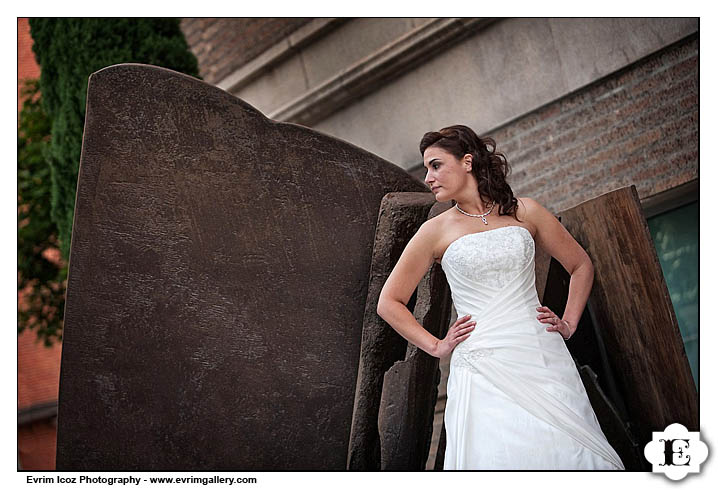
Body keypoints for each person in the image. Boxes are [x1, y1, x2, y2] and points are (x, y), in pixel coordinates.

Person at [376, 125, 624, 470]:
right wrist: (436, 346)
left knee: (568, 451)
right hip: (482, 364)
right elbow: (389, 302)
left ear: (467, 161)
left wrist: (568, 323)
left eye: (435, 165)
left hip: (540, 355)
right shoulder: (434, 231)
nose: (428, 177)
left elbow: (580, 264)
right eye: (426, 168)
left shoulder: (527, 211)